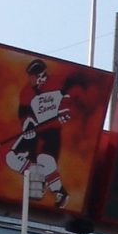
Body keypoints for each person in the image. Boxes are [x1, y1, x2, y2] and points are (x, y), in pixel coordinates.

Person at [6, 58, 73, 208]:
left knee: (45, 159)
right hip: (34, 130)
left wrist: (64, 109)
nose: (35, 80)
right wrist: (27, 125)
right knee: (11, 157)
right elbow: (23, 112)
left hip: (51, 131)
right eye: (33, 76)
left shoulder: (58, 83)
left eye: (37, 76)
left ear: (43, 74)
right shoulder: (26, 92)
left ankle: (59, 190)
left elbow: (68, 96)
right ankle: (39, 176)